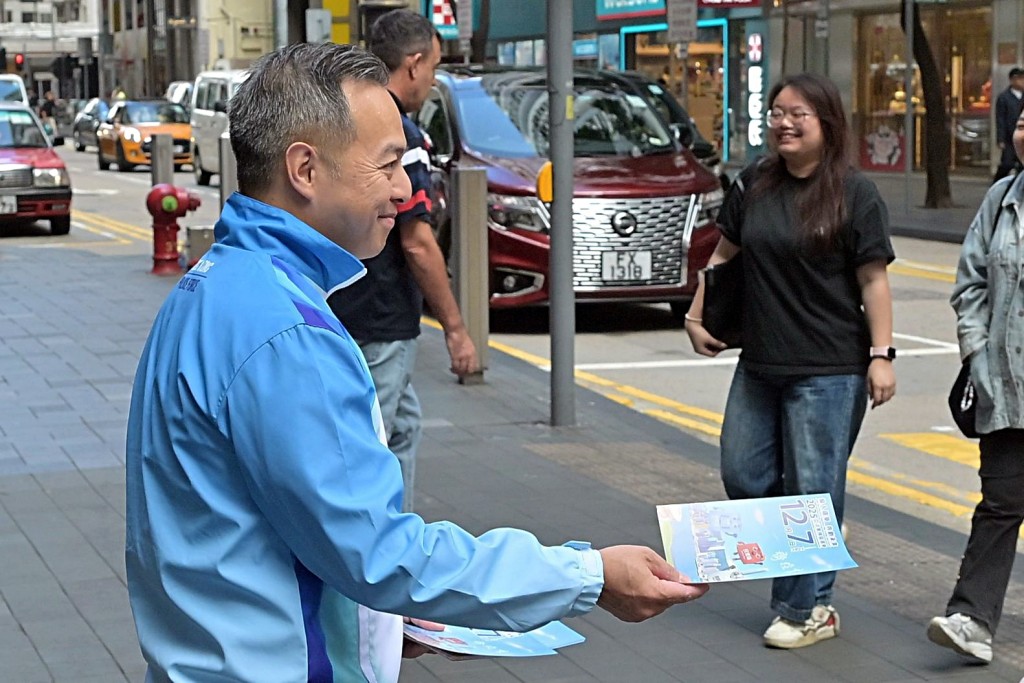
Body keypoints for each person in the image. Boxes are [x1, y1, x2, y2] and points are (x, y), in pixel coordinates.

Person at [124, 41, 709, 683]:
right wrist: (590, 574)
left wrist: (373, 626)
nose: (404, 189)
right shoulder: (288, 333)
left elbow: (254, 527)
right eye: (388, 164)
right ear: (305, 169)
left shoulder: (216, 286)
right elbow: (381, 554)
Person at [684, 72, 896, 649]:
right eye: (777, 111)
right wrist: (696, 315)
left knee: (811, 491)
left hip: (830, 368)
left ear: (827, 122)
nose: (785, 122)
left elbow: (873, 281)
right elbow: (724, 254)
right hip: (760, 361)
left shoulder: (855, 193)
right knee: (743, 474)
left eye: (799, 113)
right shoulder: (754, 182)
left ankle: (809, 608)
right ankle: (819, 525)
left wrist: (882, 355)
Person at [328, 9, 477, 513]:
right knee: (374, 438)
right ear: (413, 64)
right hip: (382, 313)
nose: (432, 80)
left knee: (402, 423)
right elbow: (417, 241)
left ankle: (394, 531)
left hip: (343, 305)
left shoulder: (348, 119)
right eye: (433, 68)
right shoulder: (401, 136)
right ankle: (379, 553)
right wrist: (455, 328)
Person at [927, 106, 1024, 665]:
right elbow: (970, 284)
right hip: (1005, 388)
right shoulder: (1002, 198)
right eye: (1022, 124)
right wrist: (976, 350)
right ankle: (972, 619)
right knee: (1000, 503)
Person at [992, 66, 1024, 183]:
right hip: (1009, 138)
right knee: (1007, 164)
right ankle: (996, 184)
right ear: (1013, 80)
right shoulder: (1004, 97)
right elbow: (1000, 119)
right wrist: (1000, 139)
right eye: (1020, 79)